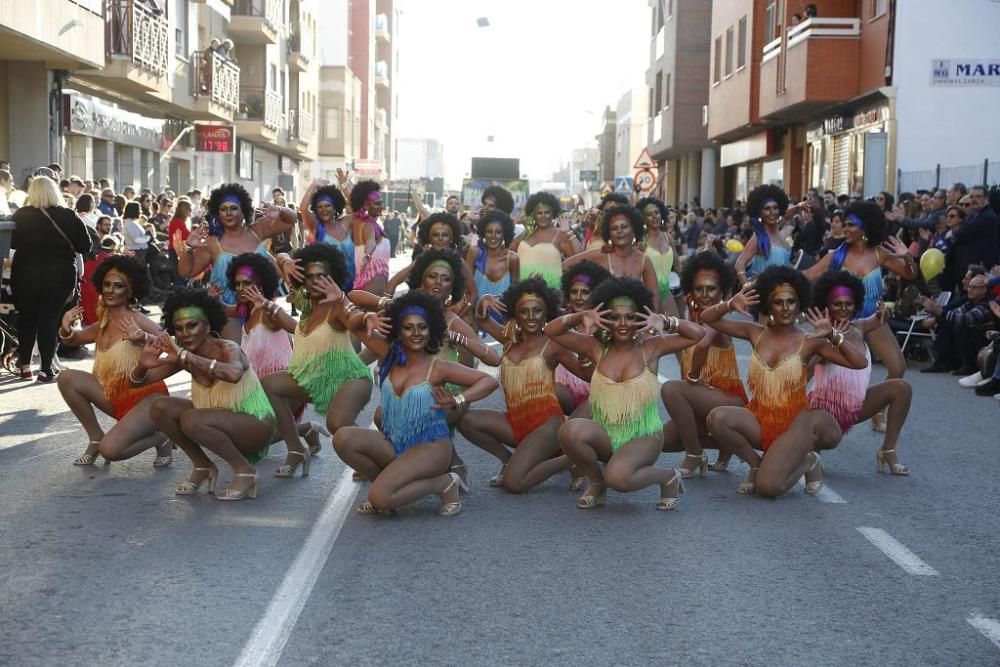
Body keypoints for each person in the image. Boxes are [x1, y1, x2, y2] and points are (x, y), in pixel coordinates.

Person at [700, 266, 868, 498]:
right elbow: (706, 317)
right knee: (716, 418)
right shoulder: (755, 332)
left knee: (768, 488)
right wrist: (730, 304)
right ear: (768, 306)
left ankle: (807, 460)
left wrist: (832, 335)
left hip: (794, 425)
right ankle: (756, 464)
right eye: (778, 302)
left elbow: (859, 363)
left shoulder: (810, 342)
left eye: (791, 301)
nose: (786, 308)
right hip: (759, 417)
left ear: (799, 304)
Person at [333, 290, 498, 516]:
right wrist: (364, 316)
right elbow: (353, 323)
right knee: (343, 438)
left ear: (431, 331)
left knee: (379, 497)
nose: (416, 333)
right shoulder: (389, 354)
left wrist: (459, 399)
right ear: (398, 331)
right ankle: (386, 486)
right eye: (408, 327)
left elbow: (488, 380)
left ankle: (443, 484)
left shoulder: (437, 367)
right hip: (396, 442)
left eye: (422, 327)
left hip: (430, 448)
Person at [545, 277, 705, 510]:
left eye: (630, 316)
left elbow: (697, 334)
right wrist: (579, 316)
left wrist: (666, 320)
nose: (623, 323)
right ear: (605, 320)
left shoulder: (651, 348)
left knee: (617, 478)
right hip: (606, 432)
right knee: (569, 431)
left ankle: (667, 477)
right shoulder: (595, 347)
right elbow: (551, 330)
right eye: (615, 316)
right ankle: (597, 483)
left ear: (639, 317)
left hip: (644, 435)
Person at [138, 288, 276, 501]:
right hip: (218, 421)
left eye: (192, 325)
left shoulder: (227, 347)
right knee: (160, 408)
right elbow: (139, 382)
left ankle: (245, 471)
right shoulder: (184, 354)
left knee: (191, 418)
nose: (185, 333)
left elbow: (233, 373)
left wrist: (186, 357)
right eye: (179, 328)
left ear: (208, 325)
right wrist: (141, 365)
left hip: (255, 424)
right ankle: (202, 466)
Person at [462, 278, 585, 490]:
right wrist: (484, 300)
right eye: (523, 311)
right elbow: (482, 319)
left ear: (546, 312)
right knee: (465, 419)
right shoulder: (510, 338)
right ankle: (508, 459)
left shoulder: (554, 345)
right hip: (516, 422)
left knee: (514, 482)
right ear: (515, 314)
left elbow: (587, 374)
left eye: (537, 311)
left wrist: (588, 355)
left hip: (548, 425)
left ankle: (572, 458)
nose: (530, 317)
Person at [803, 201, 916, 431]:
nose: (845, 229)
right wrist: (778, 278)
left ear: (865, 228)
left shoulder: (879, 254)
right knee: (807, 368)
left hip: (873, 321)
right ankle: (791, 410)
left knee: (897, 367)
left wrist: (907, 257)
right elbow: (807, 275)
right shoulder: (835, 256)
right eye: (844, 224)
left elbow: (910, 274)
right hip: (840, 323)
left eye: (850, 225)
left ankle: (877, 411)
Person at [263, 244, 373, 478]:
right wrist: (287, 261)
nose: (315, 282)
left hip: (348, 380)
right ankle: (295, 449)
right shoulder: (305, 301)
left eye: (322, 276)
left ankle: (381, 453)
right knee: (270, 384)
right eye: (310, 276)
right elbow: (279, 258)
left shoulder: (338, 307)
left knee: (338, 426)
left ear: (333, 277)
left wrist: (360, 310)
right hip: (313, 378)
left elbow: (356, 321)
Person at [56, 256, 172, 466]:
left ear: (130, 291)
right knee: (65, 378)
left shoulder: (137, 320)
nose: (110, 290)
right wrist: (66, 327)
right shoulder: (102, 323)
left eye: (118, 286)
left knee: (110, 451)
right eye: (107, 284)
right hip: (113, 394)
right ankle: (95, 437)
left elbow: (170, 345)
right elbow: (74, 339)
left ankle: (161, 437)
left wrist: (143, 338)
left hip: (145, 401)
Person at [808, 271, 912, 475]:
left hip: (855, 407)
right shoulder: (821, 337)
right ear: (827, 306)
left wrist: (885, 313)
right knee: (824, 435)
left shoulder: (860, 326)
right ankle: (811, 451)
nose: (844, 309)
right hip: (823, 412)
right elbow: (803, 374)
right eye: (837, 304)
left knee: (902, 388)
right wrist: (819, 348)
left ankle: (887, 450)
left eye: (849, 303)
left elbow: (878, 319)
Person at [661, 252, 748, 475]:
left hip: (729, 401)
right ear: (691, 290)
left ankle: (694, 454)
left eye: (711, 289)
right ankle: (726, 444)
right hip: (701, 401)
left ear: (723, 292)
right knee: (663, 441)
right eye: (699, 289)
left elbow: (702, 344)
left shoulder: (717, 322)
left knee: (671, 389)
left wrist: (693, 377)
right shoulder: (690, 322)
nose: (705, 294)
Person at [173, 183, 297, 340]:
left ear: (243, 210)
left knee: (271, 356)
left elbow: (290, 220)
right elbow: (186, 271)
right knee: (239, 357)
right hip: (229, 311)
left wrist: (280, 209)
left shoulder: (257, 231)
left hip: (261, 307)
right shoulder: (213, 242)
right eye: (223, 209)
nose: (228, 213)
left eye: (233, 208)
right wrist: (188, 248)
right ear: (217, 213)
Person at [10, 176, 91, 381]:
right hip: (59, 275)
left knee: (27, 318)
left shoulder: (21, 215)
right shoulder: (68, 215)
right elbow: (85, 246)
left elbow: (12, 243)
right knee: (49, 318)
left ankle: (25, 367)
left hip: (25, 273)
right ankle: (46, 369)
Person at [563, 204, 660, 311]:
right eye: (614, 228)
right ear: (608, 233)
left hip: (634, 321)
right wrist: (586, 288)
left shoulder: (644, 260)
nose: (619, 231)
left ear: (634, 229)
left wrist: (650, 322)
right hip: (603, 321)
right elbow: (566, 265)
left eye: (624, 227)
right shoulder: (601, 255)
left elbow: (654, 298)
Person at [554, 260, 610, 417]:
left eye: (585, 292)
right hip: (567, 392)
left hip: (601, 395)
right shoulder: (562, 321)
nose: (578, 297)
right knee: (545, 392)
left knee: (572, 429)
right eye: (573, 292)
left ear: (597, 293)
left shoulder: (609, 325)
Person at [734, 184, 807, 283]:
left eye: (775, 207)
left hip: (782, 293)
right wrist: (747, 286)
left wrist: (798, 207)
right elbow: (739, 264)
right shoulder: (759, 237)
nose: (772, 212)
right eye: (767, 209)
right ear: (759, 212)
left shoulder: (778, 230)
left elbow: (785, 215)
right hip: (763, 294)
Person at [511, 192, 580, 290]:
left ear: (553, 214)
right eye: (539, 213)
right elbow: (507, 252)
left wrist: (569, 232)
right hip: (524, 293)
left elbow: (580, 258)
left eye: (547, 212)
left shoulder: (560, 235)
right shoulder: (525, 235)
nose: (543, 216)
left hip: (551, 294)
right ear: (533, 215)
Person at [298, 181, 355, 290]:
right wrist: (313, 185)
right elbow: (303, 209)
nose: (324, 209)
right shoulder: (317, 226)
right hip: (326, 285)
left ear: (335, 207)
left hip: (352, 283)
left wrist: (345, 186)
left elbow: (359, 211)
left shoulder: (346, 223)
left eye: (327, 206)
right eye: (320, 207)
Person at [467, 209, 519, 324]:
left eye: (498, 232)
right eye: (489, 232)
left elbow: (515, 293)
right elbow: (466, 288)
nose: (493, 236)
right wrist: (469, 313)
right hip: (475, 317)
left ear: (505, 233)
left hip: (502, 320)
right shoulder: (475, 252)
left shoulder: (513, 259)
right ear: (483, 233)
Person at [345, 180, 391, 295]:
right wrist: (367, 255)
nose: (382, 207)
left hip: (365, 282)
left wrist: (344, 185)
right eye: (377, 203)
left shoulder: (359, 220)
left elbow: (355, 201)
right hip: (372, 283)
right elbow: (371, 241)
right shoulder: (369, 226)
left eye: (381, 203)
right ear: (366, 205)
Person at [636, 196, 680, 317]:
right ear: (643, 218)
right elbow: (635, 270)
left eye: (656, 212)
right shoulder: (641, 242)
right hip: (647, 295)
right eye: (649, 214)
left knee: (674, 329)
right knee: (650, 333)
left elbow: (677, 264)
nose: (654, 216)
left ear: (662, 214)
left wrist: (686, 288)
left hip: (666, 292)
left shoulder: (668, 237)